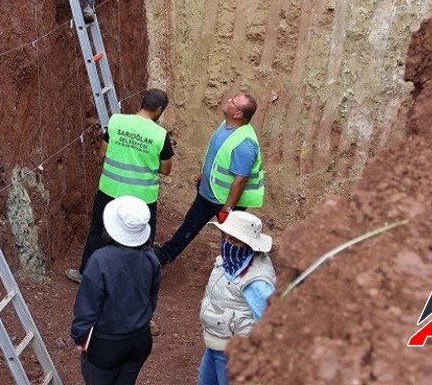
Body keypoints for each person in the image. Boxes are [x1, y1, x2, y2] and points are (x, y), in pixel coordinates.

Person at [66, 88, 174, 283]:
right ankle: (139, 280)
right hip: (142, 197)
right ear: (159, 109)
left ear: (142, 102)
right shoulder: (160, 135)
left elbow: (102, 153)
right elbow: (166, 169)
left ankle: (86, 272)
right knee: (143, 238)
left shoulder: (116, 121)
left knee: (98, 231)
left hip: (110, 189)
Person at [154, 92, 263, 267]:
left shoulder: (245, 144)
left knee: (231, 238)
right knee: (190, 225)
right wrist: (205, 174)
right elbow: (219, 156)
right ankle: (164, 255)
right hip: (208, 192)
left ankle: (233, 268)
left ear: (238, 115)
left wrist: (227, 209)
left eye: (233, 102)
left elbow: (240, 180)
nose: (228, 101)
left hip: (225, 201)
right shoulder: (225, 126)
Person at [70, 195, 161, 385]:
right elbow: (152, 295)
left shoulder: (100, 260)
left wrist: (80, 337)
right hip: (140, 341)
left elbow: (87, 307)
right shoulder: (151, 256)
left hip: (106, 345)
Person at [197, 210, 276, 385]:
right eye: (225, 237)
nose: (226, 244)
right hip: (215, 343)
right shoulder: (226, 262)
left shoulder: (256, 282)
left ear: (249, 245)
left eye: (234, 241)